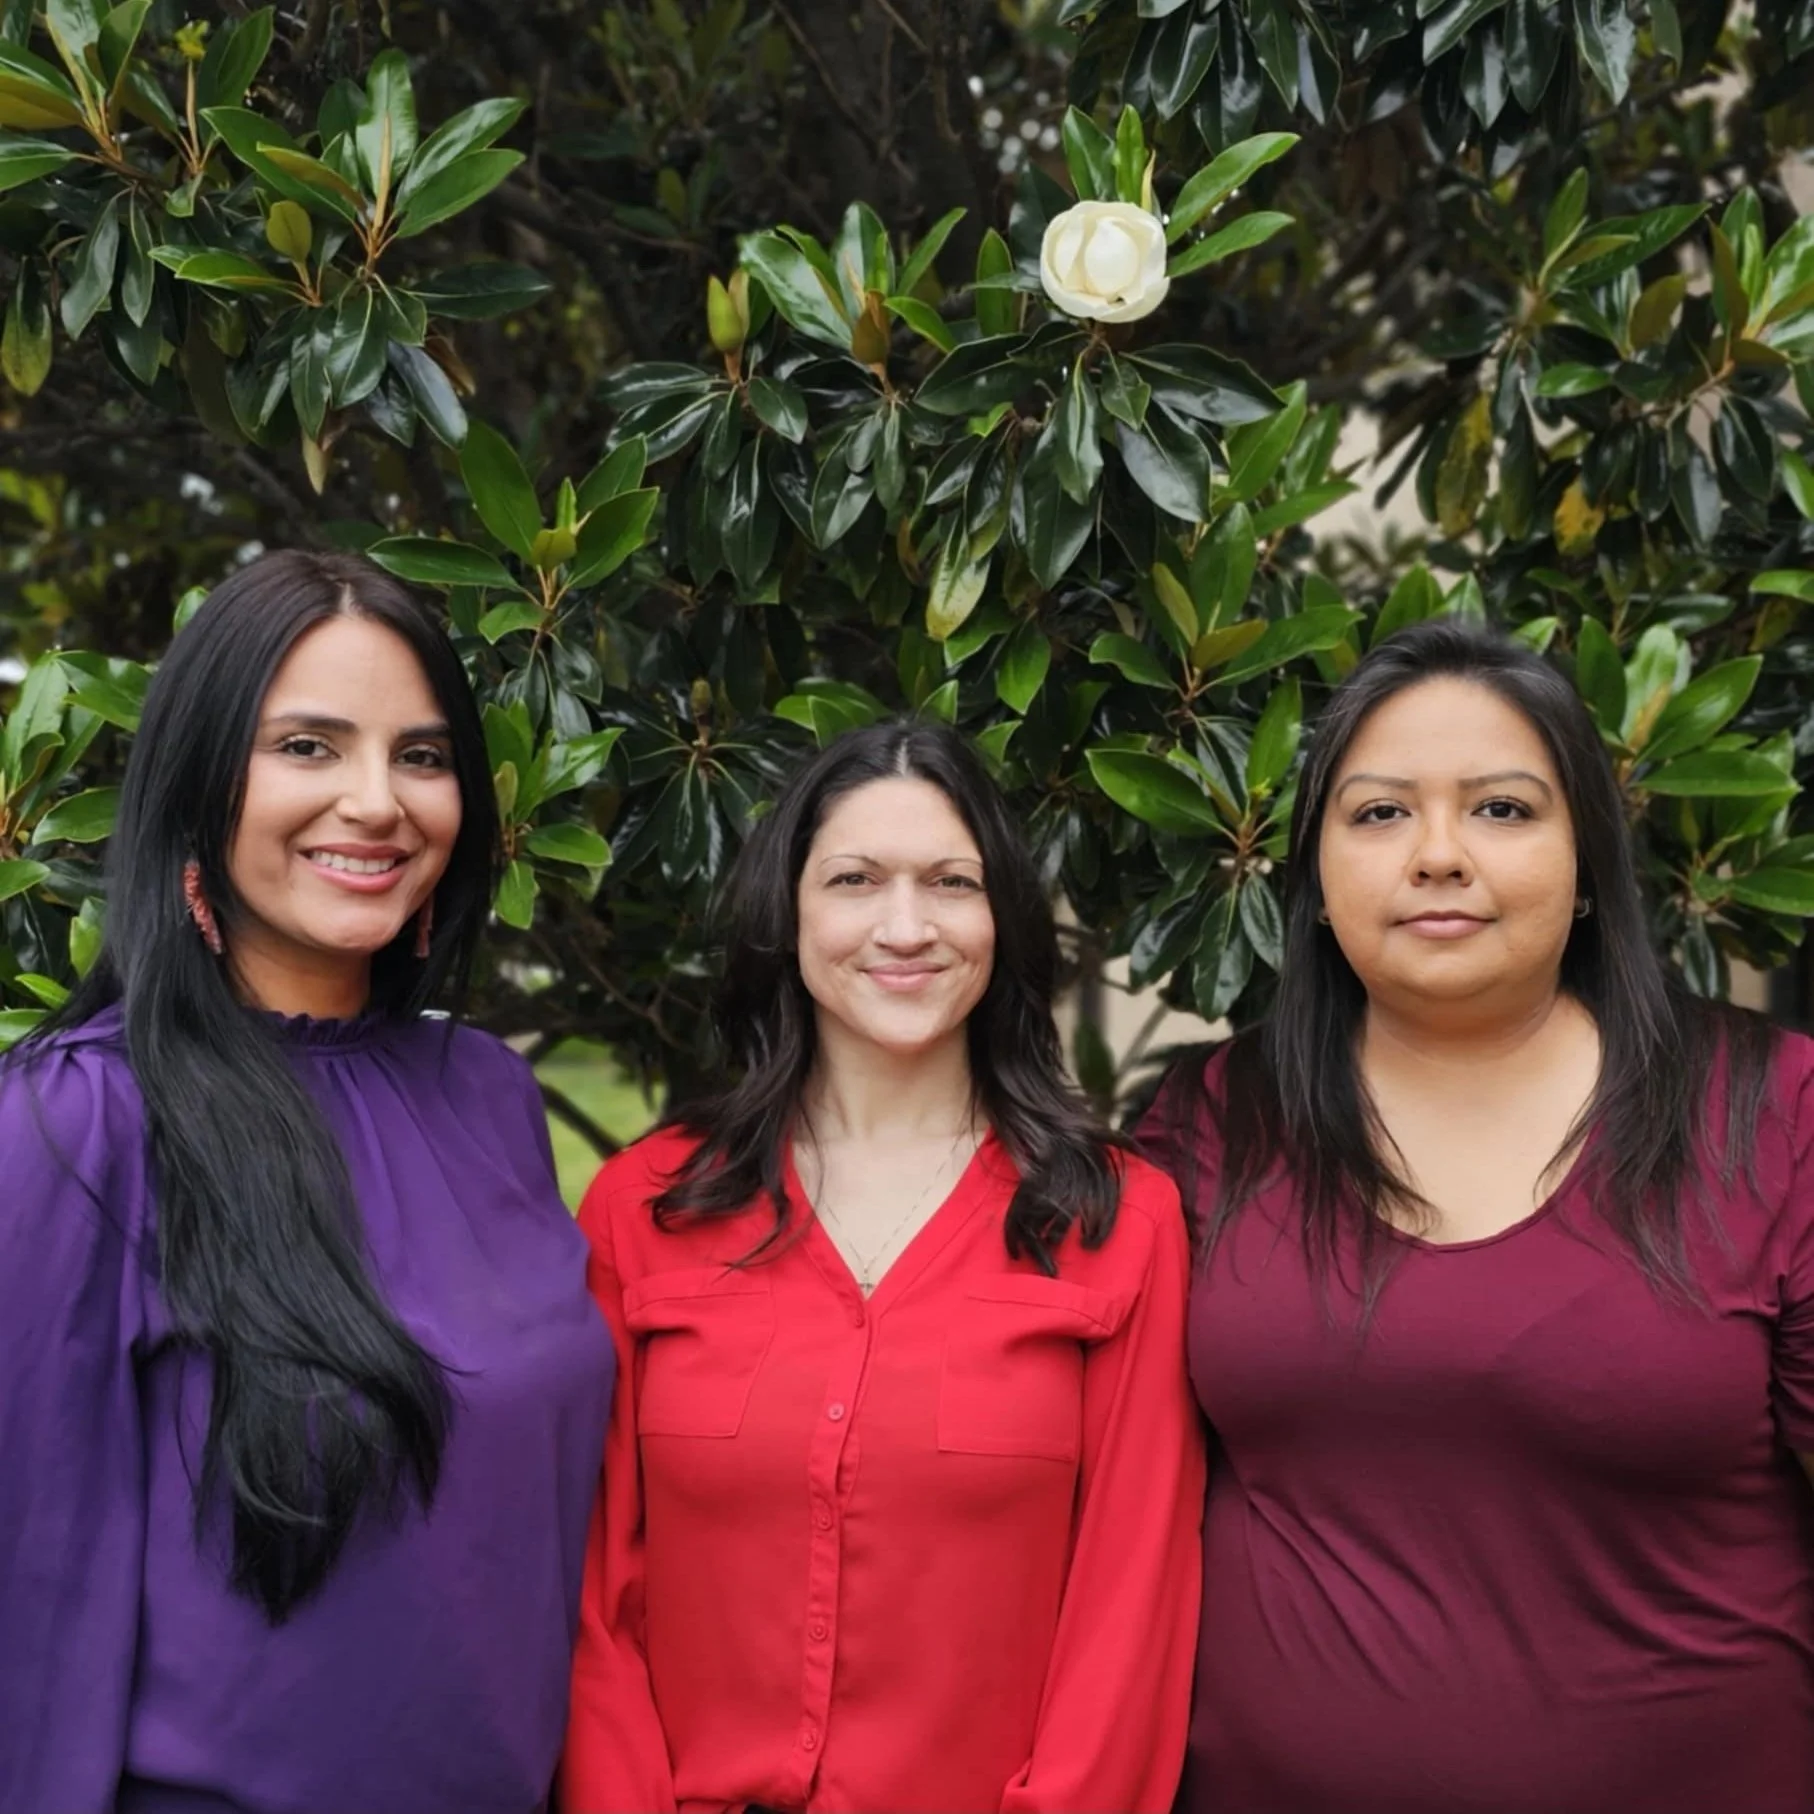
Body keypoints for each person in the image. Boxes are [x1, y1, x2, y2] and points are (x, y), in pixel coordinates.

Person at [1137, 618, 1814, 1813]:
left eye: (1500, 808)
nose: (1437, 853)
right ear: (1313, 877)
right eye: (1378, 811)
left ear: (1589, 864)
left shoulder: (1772, 1114)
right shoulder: (1208, 1125)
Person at [0, 550, 614, 1814]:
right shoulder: (78, 1118)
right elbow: (28, 1592)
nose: (377, 801)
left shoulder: (486, 1094)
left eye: (424, 756)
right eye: (310, 747)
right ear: (198, 782)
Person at [561, 721, 1204, 1814]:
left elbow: (1129, 1611)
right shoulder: (643, 1210)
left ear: (999, 914)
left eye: (950, 882)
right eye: (854, 879)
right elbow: (588, 1599)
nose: (903, 926)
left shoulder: (1118, 1221)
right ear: (790, 912)